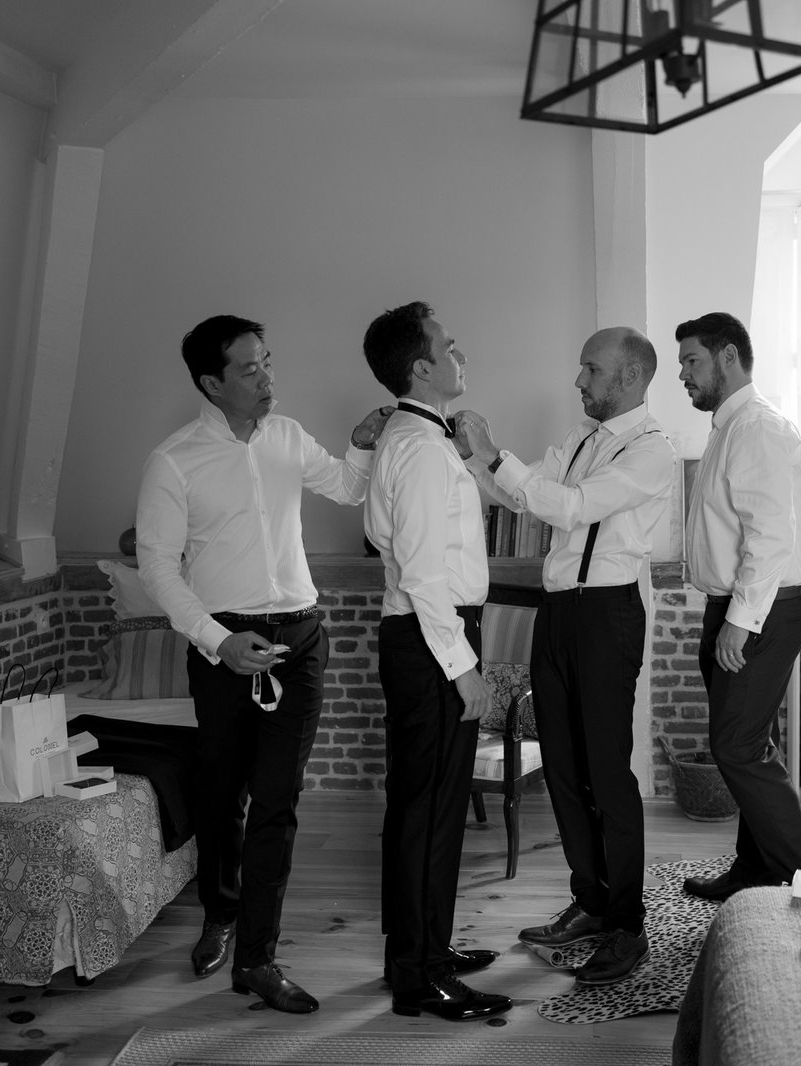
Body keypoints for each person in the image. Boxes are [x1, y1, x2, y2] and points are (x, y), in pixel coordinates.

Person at [136, 314, 392, 1013]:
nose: (267, 377)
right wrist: (218, 641)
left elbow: (346, 487)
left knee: (277, 804)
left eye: (268, 362)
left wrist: (363, 445)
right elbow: (157, 566)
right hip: (224, 648)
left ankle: (257, 957)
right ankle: (221, 910)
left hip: (300, 641)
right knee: (222, 796)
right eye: (250, 369)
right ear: (211, 382)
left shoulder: (286, 437)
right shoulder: (174, 460)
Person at [455, 327, 676, 987]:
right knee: (562, 768)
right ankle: (590, 900)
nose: (579, 381)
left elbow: (572, 507)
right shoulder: (581, 438)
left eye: (591, 369)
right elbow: (520, 492)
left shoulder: (652, 451)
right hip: (557, 614)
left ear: (630, 377)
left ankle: (627, 926)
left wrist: (498, 456)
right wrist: (475, 457)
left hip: (608, 617)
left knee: (607, 775)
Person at [360, 301, 512, 1022]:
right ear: (422, 367)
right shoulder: (418, 449)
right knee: (431, 813)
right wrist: (463, 667)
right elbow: (422, 575)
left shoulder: (416, 438)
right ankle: (420, 977)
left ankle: (420, 951)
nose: (462, 356)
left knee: (422, 809)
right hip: (433, 640)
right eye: (450, 347)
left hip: (424, 635)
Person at [675, 311, 801, 902]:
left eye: (693, 361)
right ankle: (756, 868)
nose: (684, 374)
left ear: (729, 358)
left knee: (736, 747)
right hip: (736, 606)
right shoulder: (727, 427)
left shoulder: (758, 428)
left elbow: (771, 537)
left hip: (763, 608)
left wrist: (739, 623)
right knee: (751, 742)